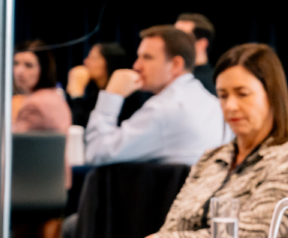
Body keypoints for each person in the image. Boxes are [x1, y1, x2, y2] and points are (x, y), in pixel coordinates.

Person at [137, 43, 288, 238]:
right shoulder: (211, 158)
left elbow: (251, 236)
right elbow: (172, 226)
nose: (230, 106)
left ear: (272, 95)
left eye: (242, 94)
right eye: (223, 95)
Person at [84, 25, 225, 166]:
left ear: (176, 64)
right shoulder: (211, 102)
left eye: (147, 57)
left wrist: (112, 95)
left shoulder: (164, 109)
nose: (136, 66)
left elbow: (96, 152)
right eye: (138, 57)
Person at [9, 40, 72, 238]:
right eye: (16, 63)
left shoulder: (33, 104)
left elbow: (14, 151)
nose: (19, 71)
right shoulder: (54, 97)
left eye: (28, 65)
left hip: (30, 191)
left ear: (43, 69)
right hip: (52, 188)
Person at [66, 43, 149, 127]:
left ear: (108, 62)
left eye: (93, 58)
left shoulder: (127, 95)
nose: (86, 61)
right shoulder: (95, 91)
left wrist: (77, 93)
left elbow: (86, 127)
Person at [175, 13, 216, 95]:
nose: (173, 42)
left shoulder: (213, 83)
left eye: (181, 37)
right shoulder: (170, 77)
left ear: (202, 44)